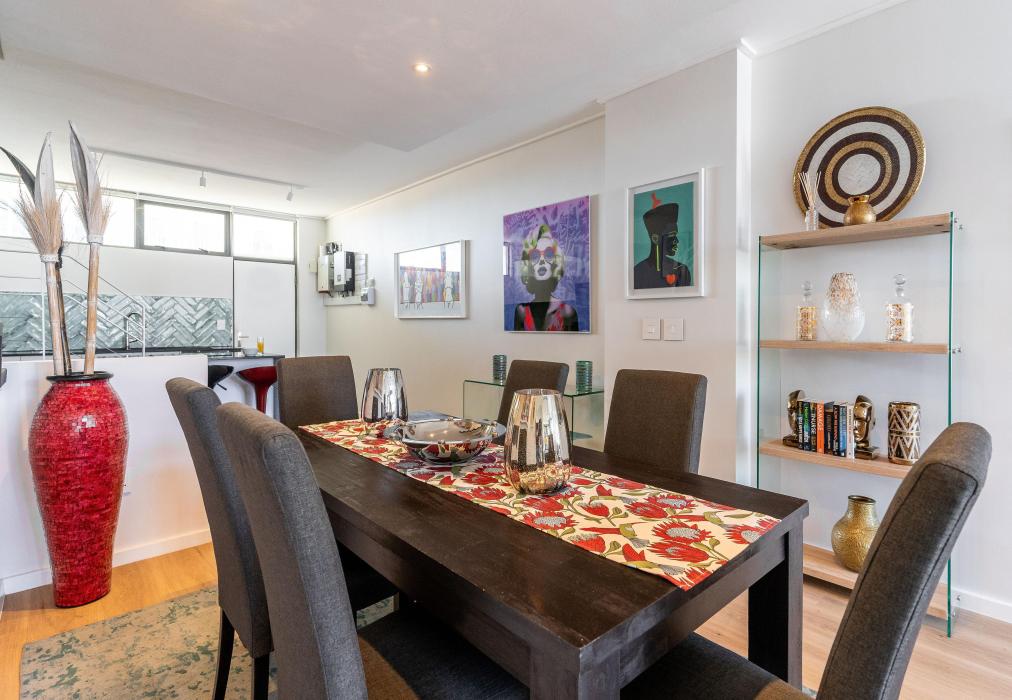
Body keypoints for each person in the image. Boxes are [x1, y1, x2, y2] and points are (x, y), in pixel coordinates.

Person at [512, 224, 579, 332]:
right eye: (535, 256)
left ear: (555, 262)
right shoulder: (521, 312)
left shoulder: (567, 312)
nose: (542, 261)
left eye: (548, 254)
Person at [633, 200, 692, 290]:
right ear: (655, 239)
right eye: (672, 235)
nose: (676, 241)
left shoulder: (682, 271)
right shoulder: (637, 272)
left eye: (676, 235)